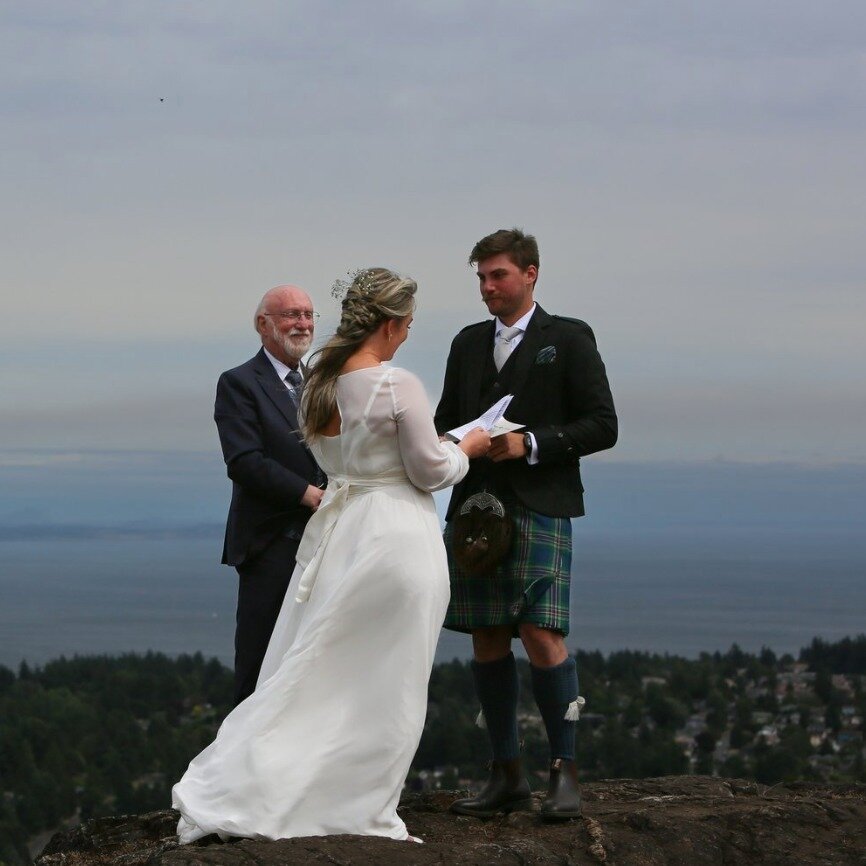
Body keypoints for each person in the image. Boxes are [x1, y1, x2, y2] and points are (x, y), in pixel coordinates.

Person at [173, 268, 490, 843]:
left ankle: (281, 783)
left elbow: (340, 456)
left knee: (320, 666)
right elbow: (428, 470)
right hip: (390, 532)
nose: (408, 336)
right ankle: (352, 799)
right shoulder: (395, 384)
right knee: (385, 677)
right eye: (409, 325)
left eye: (307, 315)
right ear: (391, 324)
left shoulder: (320, 380)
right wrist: (465, 448)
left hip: (343, 530)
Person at [434, 228, 617, 820]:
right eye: (481, 278)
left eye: (499, 275)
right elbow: (444, 420)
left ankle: (564, 774)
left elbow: (602, 424)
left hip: (540, 504)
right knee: (487, 634)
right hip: (475, 510)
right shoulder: (466, 344)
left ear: (530, 273)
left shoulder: (567, 338)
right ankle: (506, 775)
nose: (488, 287)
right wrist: (447, 443)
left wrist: (532, 443)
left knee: (541, 634)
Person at [214, 284, 326, 706]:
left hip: (325, 543)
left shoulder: (322, 383)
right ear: (263, 325)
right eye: (291, 315)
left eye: (309, 315)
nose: (303, 324)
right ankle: (238, 766)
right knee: (259, 669)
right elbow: (243, 461)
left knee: (311, 667)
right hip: (269, 545)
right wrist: (307, 494)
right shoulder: (239, 383)